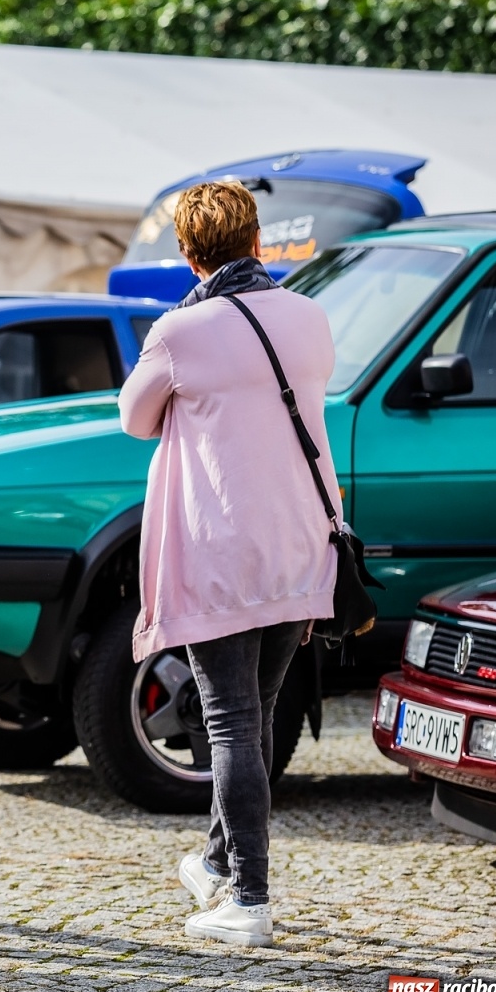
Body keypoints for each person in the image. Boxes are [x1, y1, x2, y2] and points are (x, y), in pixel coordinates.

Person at [119, 180, 339, 948]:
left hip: (221, 554)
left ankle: (249, 899)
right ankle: (217, 863)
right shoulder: (310, 317)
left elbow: (134, 417)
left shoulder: (179, 332)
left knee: (232, 725)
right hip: (300, 545)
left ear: (188, 254)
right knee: (256, 717)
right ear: (257, 241)